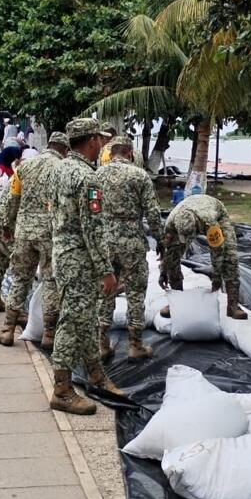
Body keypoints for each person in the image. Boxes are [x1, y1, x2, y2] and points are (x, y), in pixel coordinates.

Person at [47, 118, 125, 415]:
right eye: (101, 139)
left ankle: (96, 375)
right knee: (71, 321)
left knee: (86, 318)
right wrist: (106, 271)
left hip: (63, 254)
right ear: (92, 140)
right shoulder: (87, 178)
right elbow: (92, 229)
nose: (103, 144)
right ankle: (62, 390)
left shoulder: (61, 168)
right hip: (80, 259)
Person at [0, 132, 68, 347]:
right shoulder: (63, 168)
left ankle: (8, 329)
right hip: (50, 232)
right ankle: (48, 333)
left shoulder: (24, 167)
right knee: (50, 282)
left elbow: (12, 200)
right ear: (64, 150)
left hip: (24, 231)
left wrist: (8, 226)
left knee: (20, 279)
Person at [95, 135, 163, 361]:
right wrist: (160, 239)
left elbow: (90, 210)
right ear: (130, 153)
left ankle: (102, 343)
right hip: (132, 242)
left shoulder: (97, 176)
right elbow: (153, 213)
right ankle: (135, 345)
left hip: (104, 242)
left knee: (105, 292)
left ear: (111, 152)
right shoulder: (139, 175)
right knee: (135, 293)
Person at [158, 194, 249, 320]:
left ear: (196, 224)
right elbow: (167, 251)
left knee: (230, 257)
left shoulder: (210, 222)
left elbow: (217, 250)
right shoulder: (171, 224)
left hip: (216, 211)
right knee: (173, 258)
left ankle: (233, 306)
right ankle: (176, 302)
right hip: (190, 209)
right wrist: (163, 272)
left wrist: (216, 277)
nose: (187, 241)